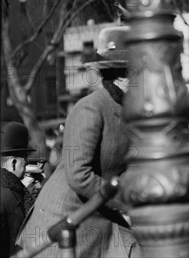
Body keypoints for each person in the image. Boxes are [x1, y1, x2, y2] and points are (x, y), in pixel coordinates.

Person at [17, 25, 139, 257]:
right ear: (125, 74)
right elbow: (78, 174)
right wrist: (126, 202)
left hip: (99, 216)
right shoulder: (90, 108)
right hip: (66, 219)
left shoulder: (130, 111)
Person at [1, 122, 36, 257]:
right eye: (24, 158)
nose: (27, 162)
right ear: (13, 163)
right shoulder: (11, 197)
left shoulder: (13, 192)